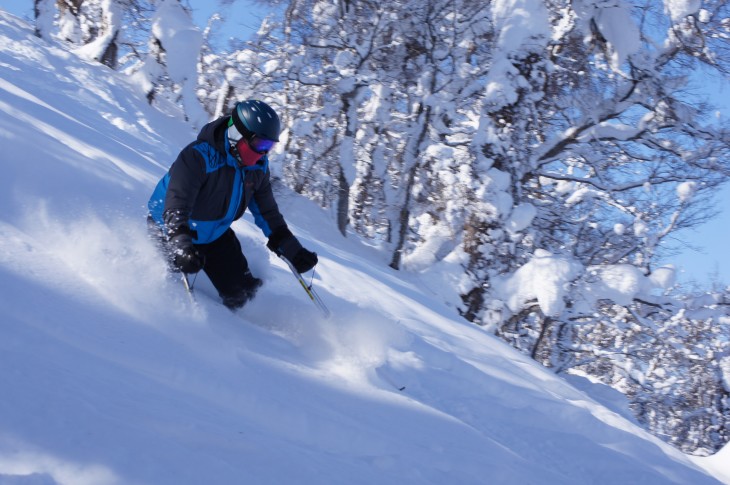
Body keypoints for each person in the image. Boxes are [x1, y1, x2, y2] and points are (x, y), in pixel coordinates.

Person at [147, 99, 318, 309]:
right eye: (261, 144)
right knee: (169, 286)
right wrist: (181, 245)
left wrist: (293, 250)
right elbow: (176, 203)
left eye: (270, 147)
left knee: (244, 296)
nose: (264, 153)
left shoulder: (258, 169)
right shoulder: (198, 157)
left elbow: (268, 213)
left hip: (214, 235)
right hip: (171, 229)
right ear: (237, 135)